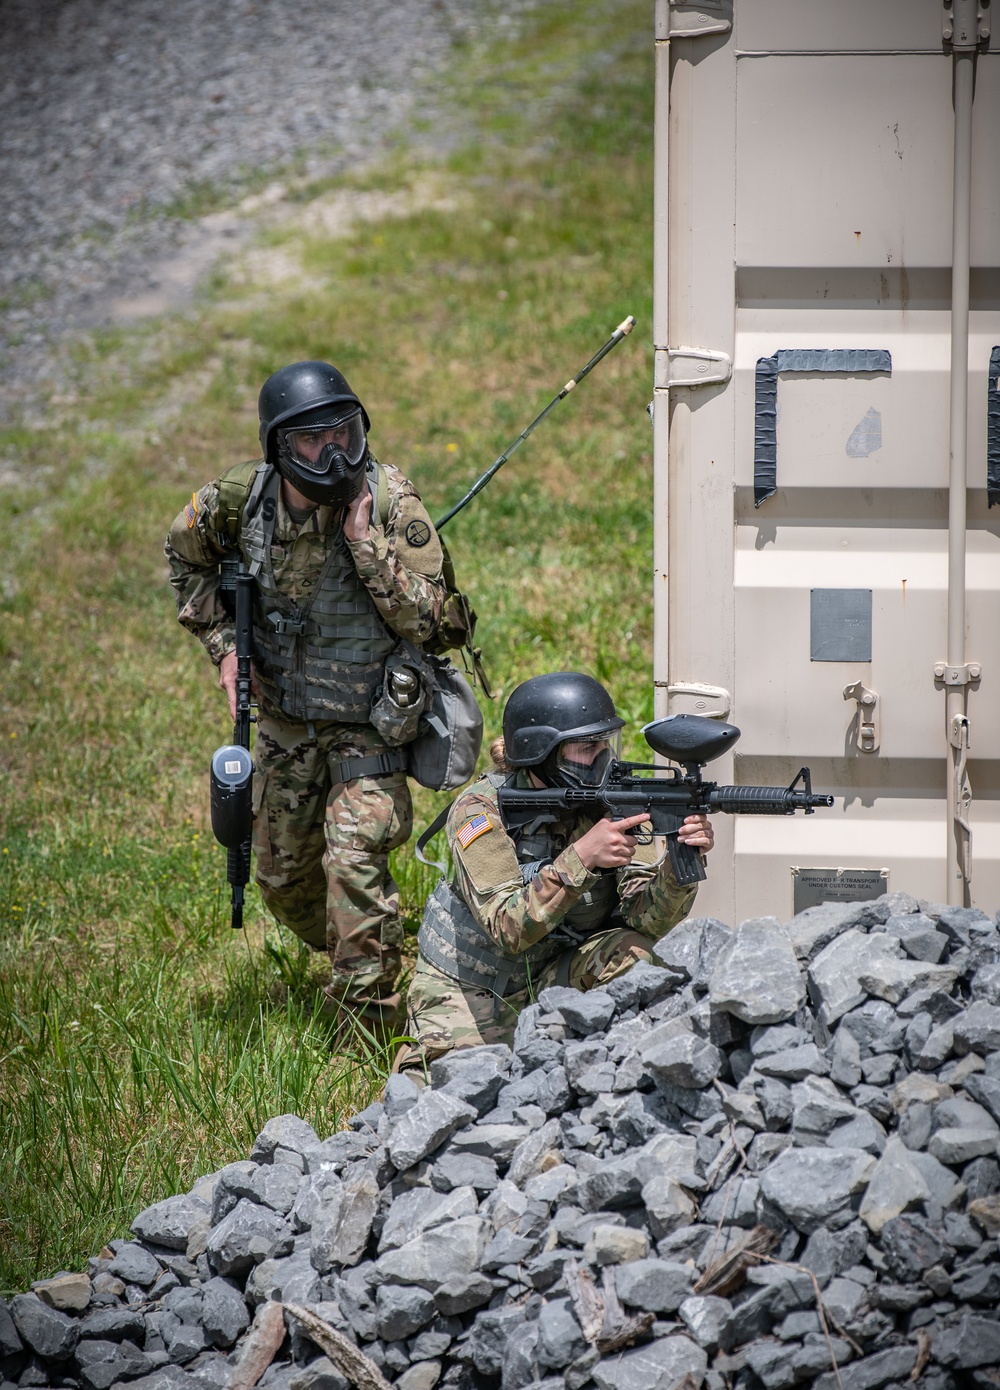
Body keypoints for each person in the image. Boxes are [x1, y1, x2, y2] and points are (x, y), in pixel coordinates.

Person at [165, 360, 446, 1041]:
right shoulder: (238, 501)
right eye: (313, 442)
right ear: (279, 448)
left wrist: (366, 548)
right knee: (284, 883)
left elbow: (443, 622)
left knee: (352, 860)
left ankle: (369, 1032)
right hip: (287, 720)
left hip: (369, 727)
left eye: (346, 434)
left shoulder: (389, 503)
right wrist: (228, 649)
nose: (335, 454)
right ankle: (368, 945)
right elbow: (185, 561)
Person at [400, 671, 714, 1066]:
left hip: (554, 971)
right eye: (586, 747)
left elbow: (647, 921)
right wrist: (583, 856)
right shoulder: (480, 810)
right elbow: (508, 928)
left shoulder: (608, 802)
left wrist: (679, 859)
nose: (602, 757)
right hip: (472, 990)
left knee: (637, 954)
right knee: (449, 1101)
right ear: (541, 751)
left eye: (605, 743)